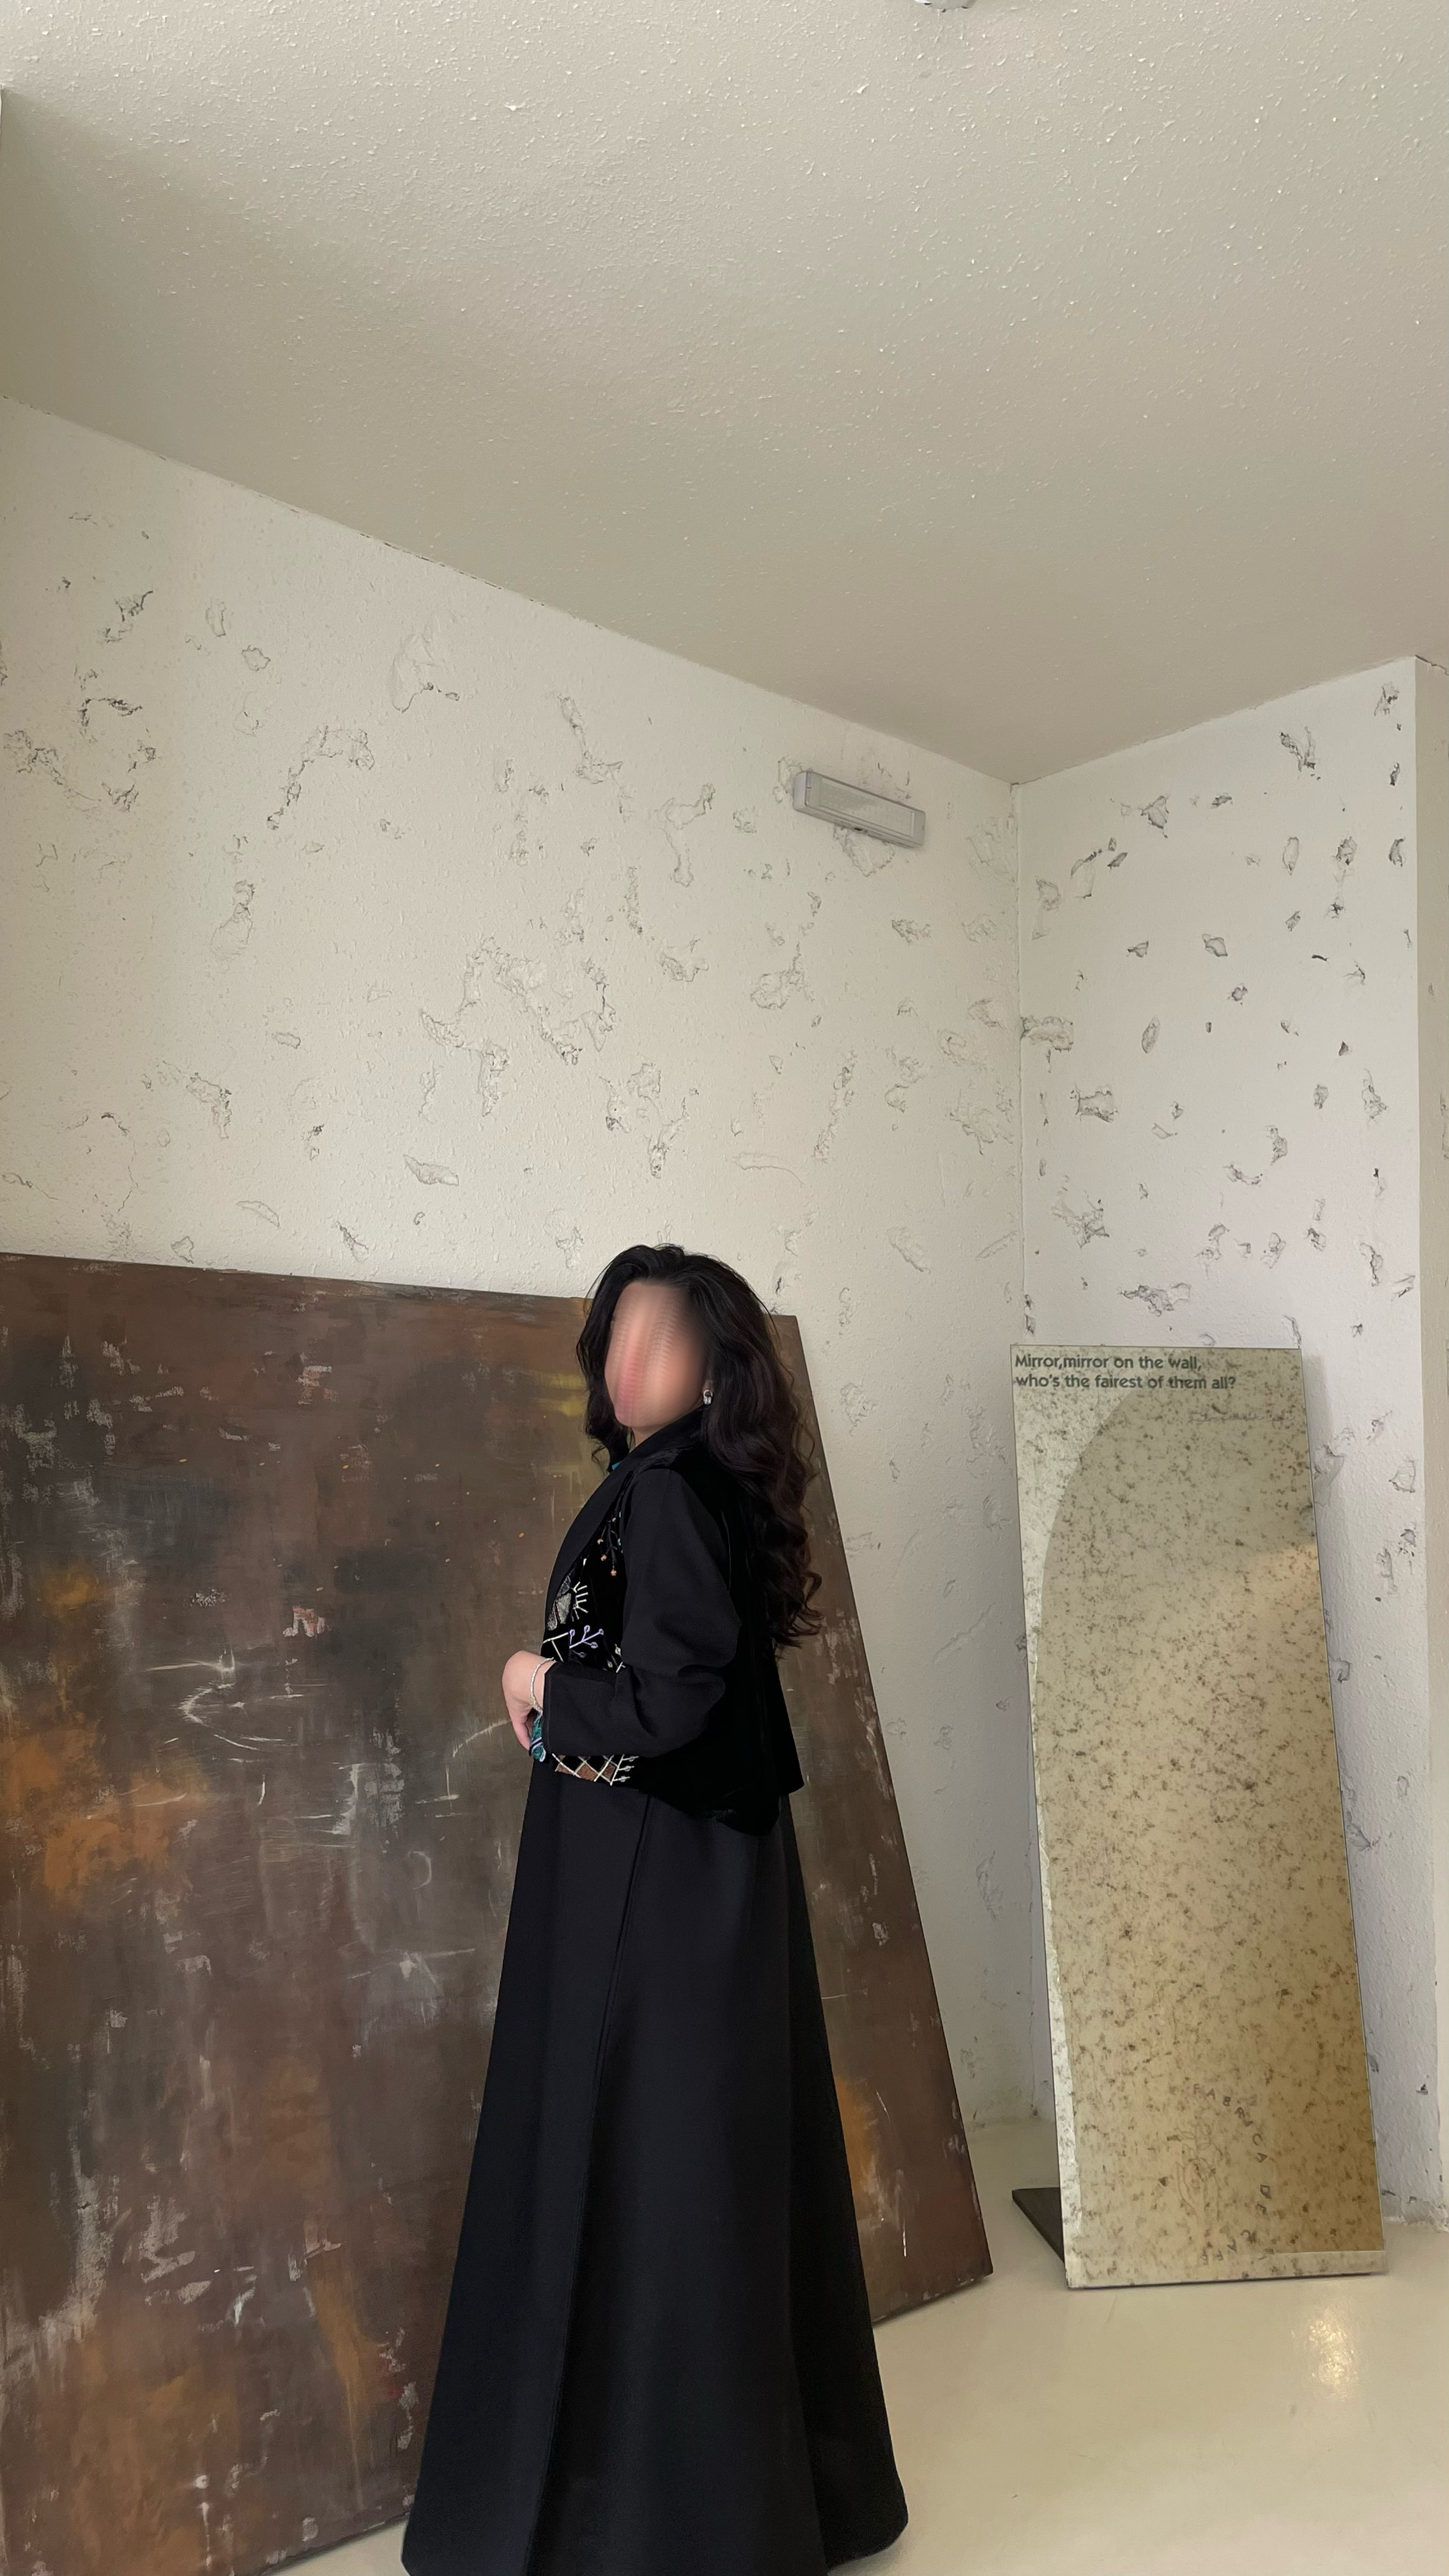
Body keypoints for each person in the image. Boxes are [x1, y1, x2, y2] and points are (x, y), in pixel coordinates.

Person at [399, 1243, 908, 2576]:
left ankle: (637, 2524)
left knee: (650, 2170)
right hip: (679, 1871)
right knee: (689, 2172)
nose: (627, 1365)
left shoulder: (671, 1493)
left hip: (656, 1882)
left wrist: (535, 1682)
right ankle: (724, 2513)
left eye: (661, 1341)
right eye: (616, 1337)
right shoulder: (681, 1484)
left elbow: (670, 1705)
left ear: (712, 1368)